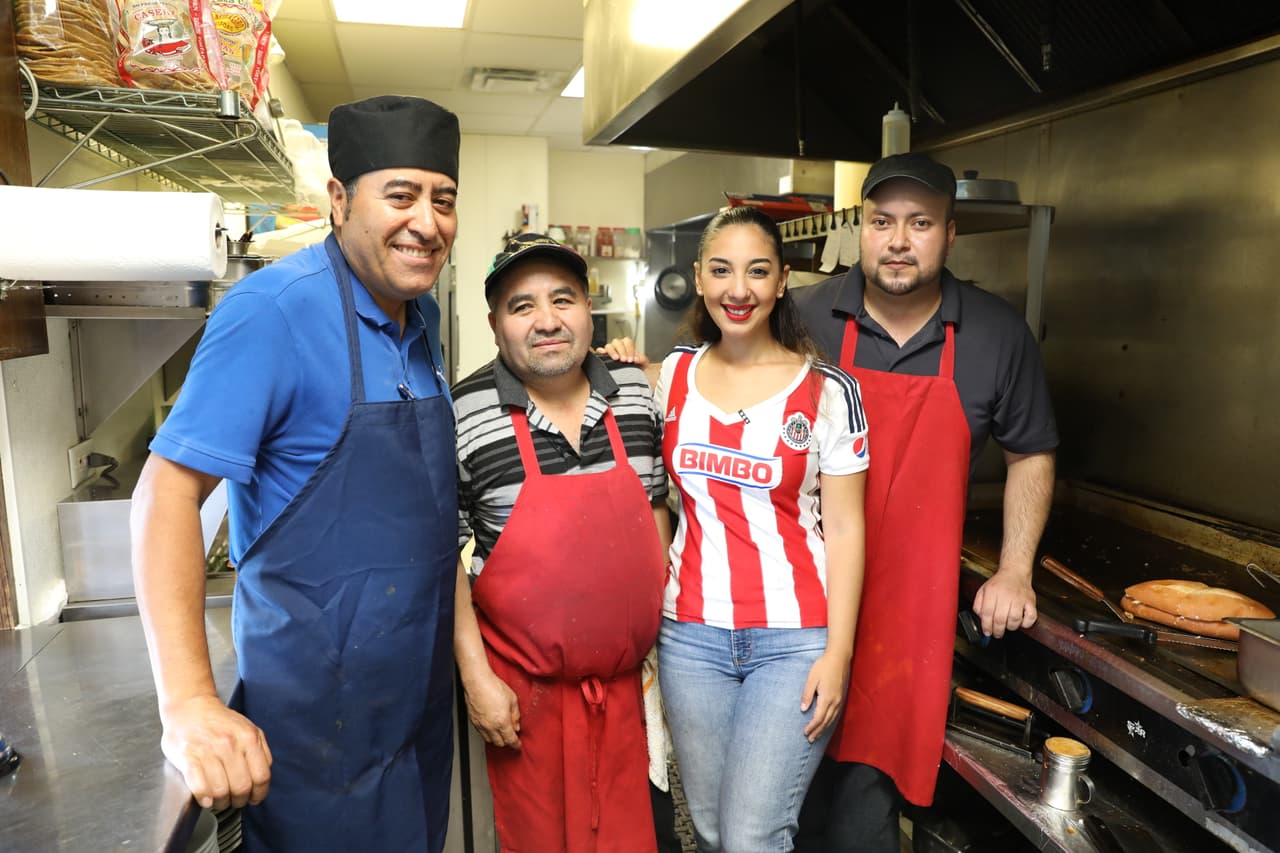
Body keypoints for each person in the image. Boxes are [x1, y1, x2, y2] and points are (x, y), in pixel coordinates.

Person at [131, 95, 462, 852]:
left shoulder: (423, 319)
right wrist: (188, 700)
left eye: (443, 200)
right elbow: (167, 493)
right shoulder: (271, 311)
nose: (427, 222)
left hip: (415, 714)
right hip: (314, 731)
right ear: (339, 200)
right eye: (401, 196)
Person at [791, 152, 1058, 851]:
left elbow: (1031, 452)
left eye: (920, 223)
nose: (899, 241)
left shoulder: (997, 334)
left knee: (861, 820)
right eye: (882, 222)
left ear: (950, 234)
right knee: (776, 812)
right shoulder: (803, 316)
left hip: (906, 623)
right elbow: (715, 383)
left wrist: (1015, 569)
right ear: (861, 229)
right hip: (797, 607)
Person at [655, 205, 868, 852]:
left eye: (756, 271)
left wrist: (839, 653)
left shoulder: (827, 391)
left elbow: (848, 528)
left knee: (752, 836)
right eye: (721, 270)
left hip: (794, 642)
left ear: (781, 282)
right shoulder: (671, 375)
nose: (738, 289)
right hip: (689, 638)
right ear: (699, 278)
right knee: (713, 830)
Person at [451, 233, 672, 851]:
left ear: (588, 310)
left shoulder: (636, 391)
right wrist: (476, 680)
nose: (547, 321)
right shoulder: (463, 412)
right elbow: (446, 560)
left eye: (563, 299)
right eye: (522, 306)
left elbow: (656, 512)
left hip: (634, 692)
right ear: (495, 325)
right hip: (523, 700)